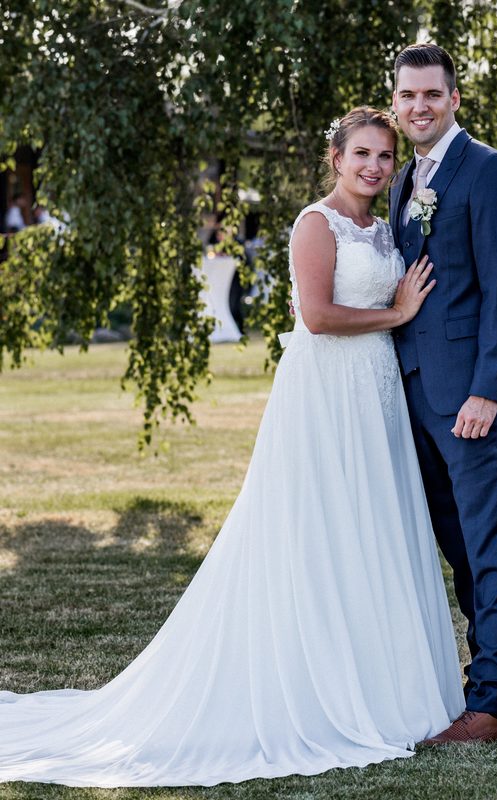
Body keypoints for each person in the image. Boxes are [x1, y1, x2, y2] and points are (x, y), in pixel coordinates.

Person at [0, 106, 464, 787]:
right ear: (336, 158)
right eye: (362, 153)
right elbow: (316, 315)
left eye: (385, 156)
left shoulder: (385, 226)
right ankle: (321, 687)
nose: (374, 166)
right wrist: (396, 312)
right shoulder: (316, 223)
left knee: (376, 525)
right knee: (322, 530)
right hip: (327, 393)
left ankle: (386, 683)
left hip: (377, 393)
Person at [390, 43, 497, 744]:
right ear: (396, 103)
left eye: (431, 95)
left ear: (454, 99)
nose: (420, 107)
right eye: (408, 95)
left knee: (489, 540)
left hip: (469, 400)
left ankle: (493, 702)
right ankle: (482, 677)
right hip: (413, 395)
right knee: (456, 546)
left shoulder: (488, 171)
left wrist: (488, 391)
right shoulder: (402, 180)